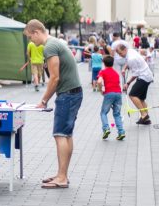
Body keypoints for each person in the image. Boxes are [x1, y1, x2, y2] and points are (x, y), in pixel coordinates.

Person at [26, 19, 83, 189]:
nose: (31, 41)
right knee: (67, 134)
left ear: (36, 31)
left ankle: (62, 177)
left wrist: (43, 100)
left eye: (30, 37)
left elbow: (54, 77)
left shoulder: (49, 46)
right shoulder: (56, 43)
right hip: (74, 92)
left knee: (60, 134)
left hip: (67, 94)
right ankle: (61, 174)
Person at [117, 42, 154, 125]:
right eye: (118, 54)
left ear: (125, 49)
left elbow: (135, 74)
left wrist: (128, 83)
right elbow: (128, 62)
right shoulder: (130, 51)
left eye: (120, 53)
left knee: (132, 95)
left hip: (143, 77)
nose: (120, 55)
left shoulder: (131, 58)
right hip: (147, 75)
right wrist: (124, 68)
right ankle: (146, 119)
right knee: (141, 99)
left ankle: (144, 115)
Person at [97, 53, 125, 141]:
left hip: (109, 93)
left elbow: (99, 81)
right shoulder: (116, 73)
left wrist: (101, 90)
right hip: (118, 94)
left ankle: (106, 129)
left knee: (103, 113)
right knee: (117, 114)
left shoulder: (103, 71)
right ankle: (121, 132)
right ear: (112, 63)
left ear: (104, 63)